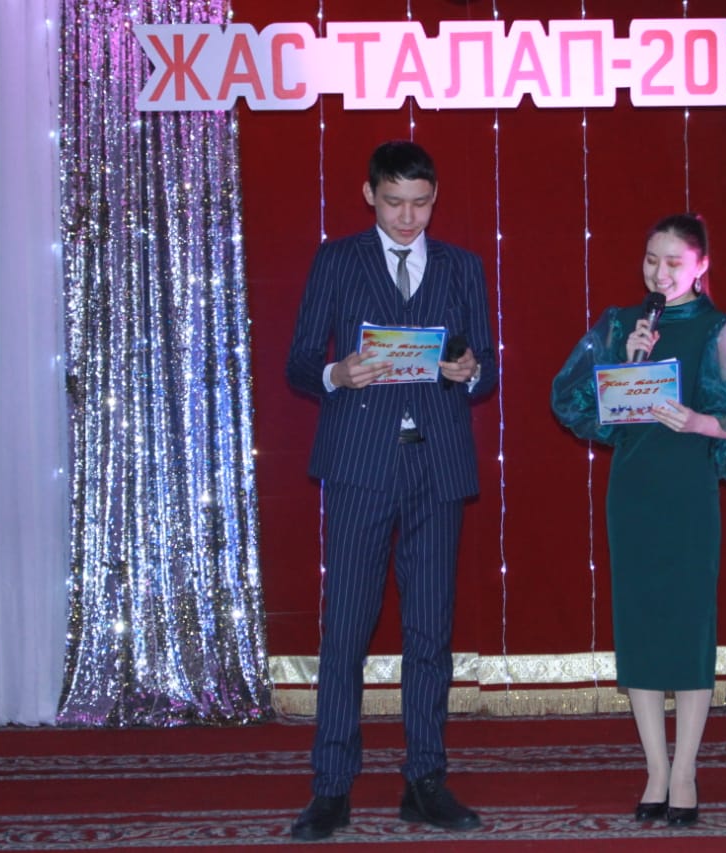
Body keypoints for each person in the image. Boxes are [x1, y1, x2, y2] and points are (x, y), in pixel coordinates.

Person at [285, 140, 496, 840]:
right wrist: (336, 375)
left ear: (435, 199)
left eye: (421, 204)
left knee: (430, 632)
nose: (408, 217)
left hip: (437, 465)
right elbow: (298, 362)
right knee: (346, 628)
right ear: (369, 195)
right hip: (360, 464)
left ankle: (424, 780)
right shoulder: (337, 261)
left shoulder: (463, 267)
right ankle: (331, 787)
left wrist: (469, 371)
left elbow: (486, 371)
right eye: (395, 202)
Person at [551, 213, 726, 827]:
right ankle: (655, 769)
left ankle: (685, 771)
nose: (660, 273)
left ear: (701, 266)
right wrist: (623, 364)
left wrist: (701, 421)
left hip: (687, 493)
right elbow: (575, 403)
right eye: (652, 260)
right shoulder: (622, 324)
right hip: (633, 491)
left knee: (686, 628)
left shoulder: (719, 328)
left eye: (674, 262)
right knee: (641, 629)